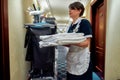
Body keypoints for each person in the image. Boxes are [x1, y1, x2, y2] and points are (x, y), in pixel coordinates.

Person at [65, 1, 93, 80]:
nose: (70, 11)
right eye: (70, 9)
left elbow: (86, 43)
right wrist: (59, 42)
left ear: (79, 10)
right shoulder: (70, 25)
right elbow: (69, 43)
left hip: (81, 57)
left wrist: (71, 42)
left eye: (73, 9)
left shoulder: (84, 23)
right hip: (72, 56)